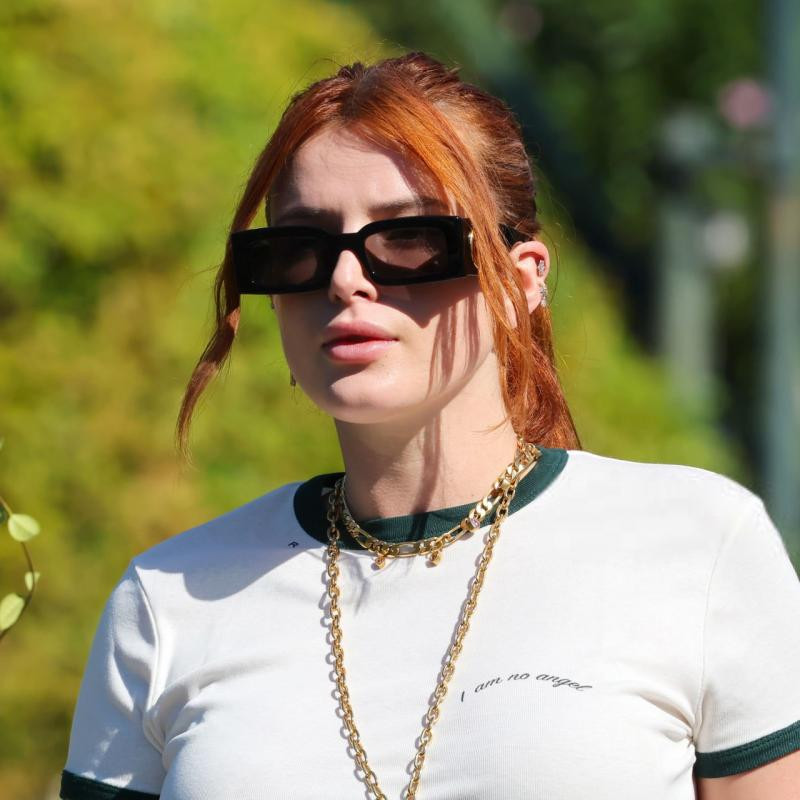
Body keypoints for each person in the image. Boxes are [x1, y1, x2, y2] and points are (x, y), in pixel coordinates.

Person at [60, 52, 800, 800]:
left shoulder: (698, 546)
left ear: (520, 280)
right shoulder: (168, 600)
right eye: (299, 250)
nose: (345, 280)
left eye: (410, 239)